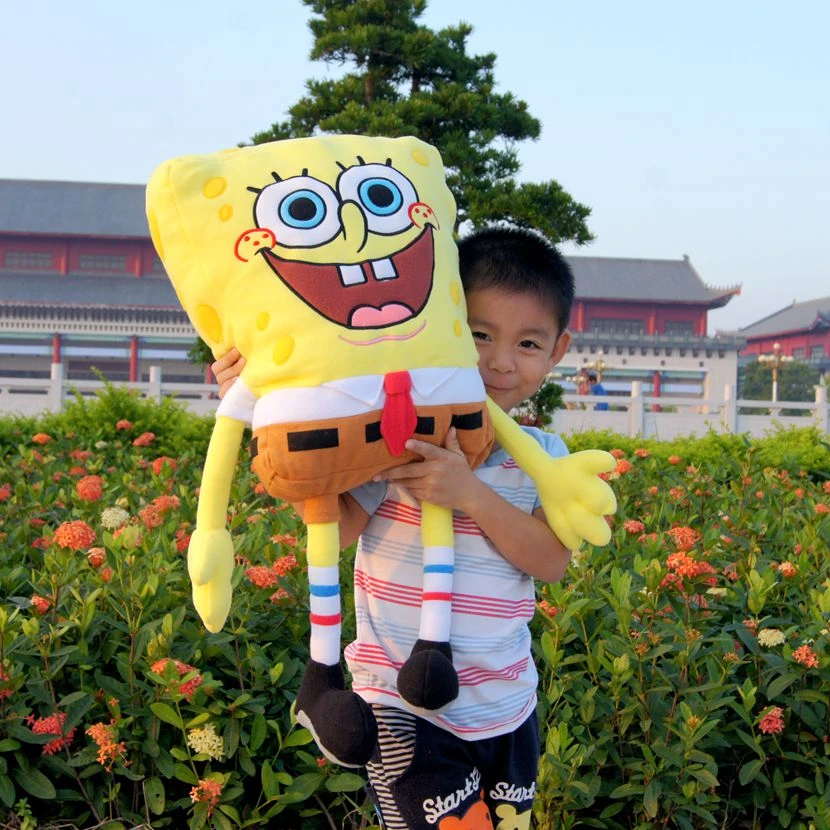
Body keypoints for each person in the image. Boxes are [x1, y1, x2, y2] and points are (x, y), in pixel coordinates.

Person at [213, 226, 577, 829]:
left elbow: (551, 561)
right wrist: (267, 412)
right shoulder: (393, 436)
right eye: (479, 334)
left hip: (508, 708)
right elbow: (337, 525)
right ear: (442, 323)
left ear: (558, 350)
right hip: (402, 704)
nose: (499, 362)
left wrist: (470, 494)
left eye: (529, 344)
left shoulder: (545, 456)